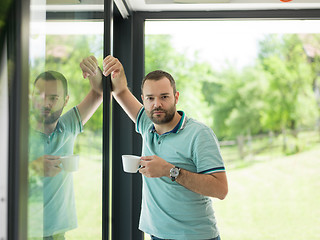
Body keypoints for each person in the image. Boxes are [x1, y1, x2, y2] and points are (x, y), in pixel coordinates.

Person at [101, 55, 228, 240]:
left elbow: (220, 189)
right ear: (143, 100)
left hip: (195, 236)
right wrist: (116, 68)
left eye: (164, 97)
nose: (157, 104)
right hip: (156, 235)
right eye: (150, 98)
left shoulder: (199, 134)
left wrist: (170, 171)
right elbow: (120, 91)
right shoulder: (147, 124)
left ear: (176, 97)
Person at [28, 56, 103, 239]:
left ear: (66, 100)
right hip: (24, 229)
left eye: (53, 98)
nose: (46, 103)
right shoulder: (15, 132)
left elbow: (99, 92)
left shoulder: (68, 126)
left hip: (58, 232)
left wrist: (94, 70)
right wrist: (32, 169)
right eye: (40, 96)